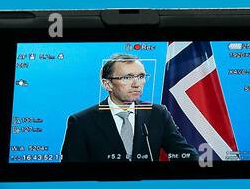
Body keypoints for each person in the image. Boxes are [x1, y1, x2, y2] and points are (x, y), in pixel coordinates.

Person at [60, 53, 198, 163]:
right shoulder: (81, 122)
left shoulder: (158, 113)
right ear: (107, 84)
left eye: (141, 76)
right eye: (127, 77)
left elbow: (184, 154)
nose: (136, 84)